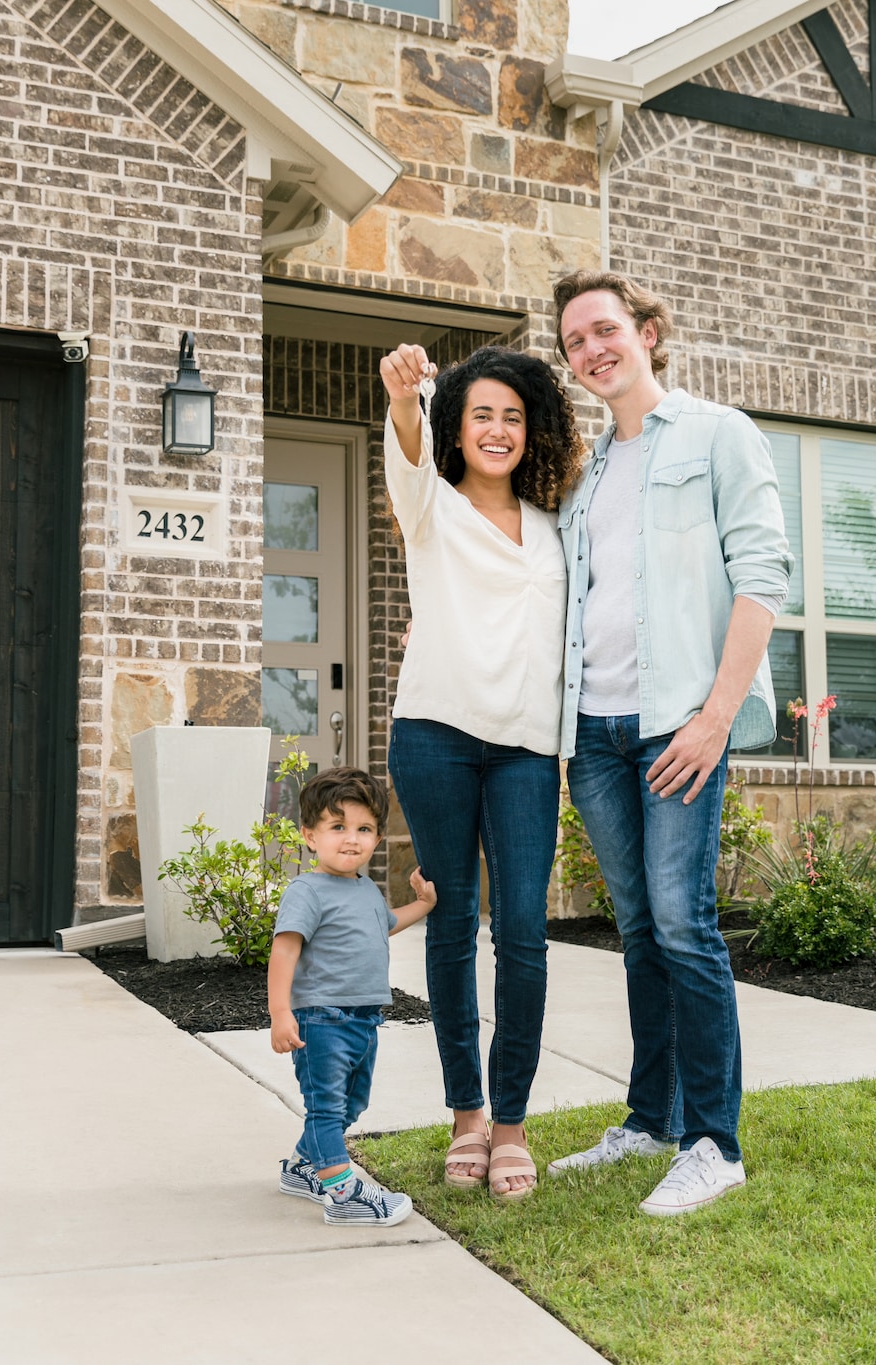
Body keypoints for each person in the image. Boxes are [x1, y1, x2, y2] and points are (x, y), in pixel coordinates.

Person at [544, 270, 791, 1217]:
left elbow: (764, 572)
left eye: (604, 330)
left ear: (647, 332)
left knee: (686, 926)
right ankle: (651, 1119)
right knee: (640, 929)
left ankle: (715, 1143)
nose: (591, 350)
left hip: (680, 725)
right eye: (574, 341)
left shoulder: (720, 434)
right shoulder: (591, 471)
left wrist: (716, 714)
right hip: (595, 733)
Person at [377, 343, 583, 1201]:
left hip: (528, 749)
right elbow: (406, 446)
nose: (496, 429)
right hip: (434, 735)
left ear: (529, 429)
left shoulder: (553, 526)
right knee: (453, 924)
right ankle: (466, 1114)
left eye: (512, 415)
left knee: (526, 934)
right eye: (480, 415)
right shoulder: (431, 507)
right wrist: (403, 396)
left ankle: (512, 1126)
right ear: (456, 430)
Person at [270, 766, 438, 1227]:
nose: (351, 839)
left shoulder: (365, 888)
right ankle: (342, 1193)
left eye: (364, 829)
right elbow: (284, 951)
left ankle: (305, 1168)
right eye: (337, 827)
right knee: (326, 1106)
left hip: (363, 1020)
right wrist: (281, 1011)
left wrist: (422, 905)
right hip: (320, 1021)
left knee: (352, 1105)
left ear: (378, 838)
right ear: (310, 835)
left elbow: (385, 924)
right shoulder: (306, 891)